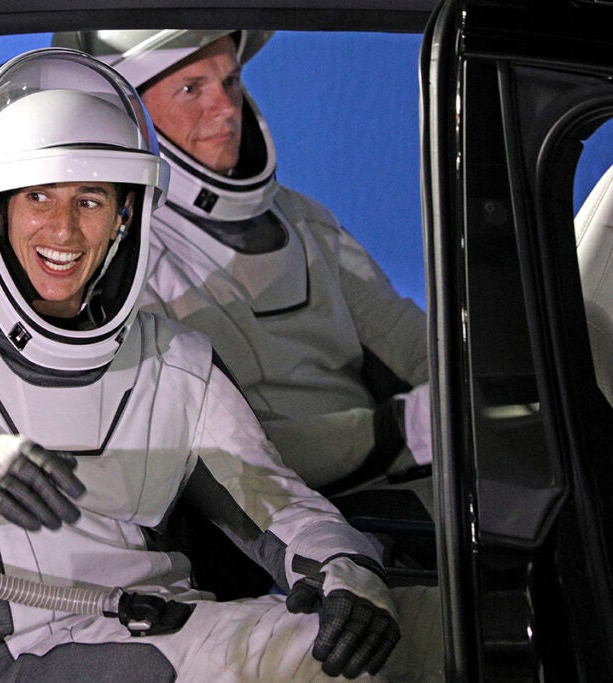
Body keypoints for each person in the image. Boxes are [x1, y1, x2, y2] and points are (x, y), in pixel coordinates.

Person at [0, 47, 441, 682]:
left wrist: (345, 565)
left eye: (90, 200)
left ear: (126, 215)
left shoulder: (174, 360)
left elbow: (275, 500)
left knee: (443, 626)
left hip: (169, 624)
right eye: (39, 196)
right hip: (19, 652)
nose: (65, 229)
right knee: (309, 659)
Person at [52, 30, 433, 498]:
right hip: (266, 530)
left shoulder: (305, 219)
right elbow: (212, 453)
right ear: (129, 116)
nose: (227, 109)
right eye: (191, 89)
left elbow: (419, 350)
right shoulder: (114, 260)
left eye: (230, 82)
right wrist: (402, 429)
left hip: (395, 486)